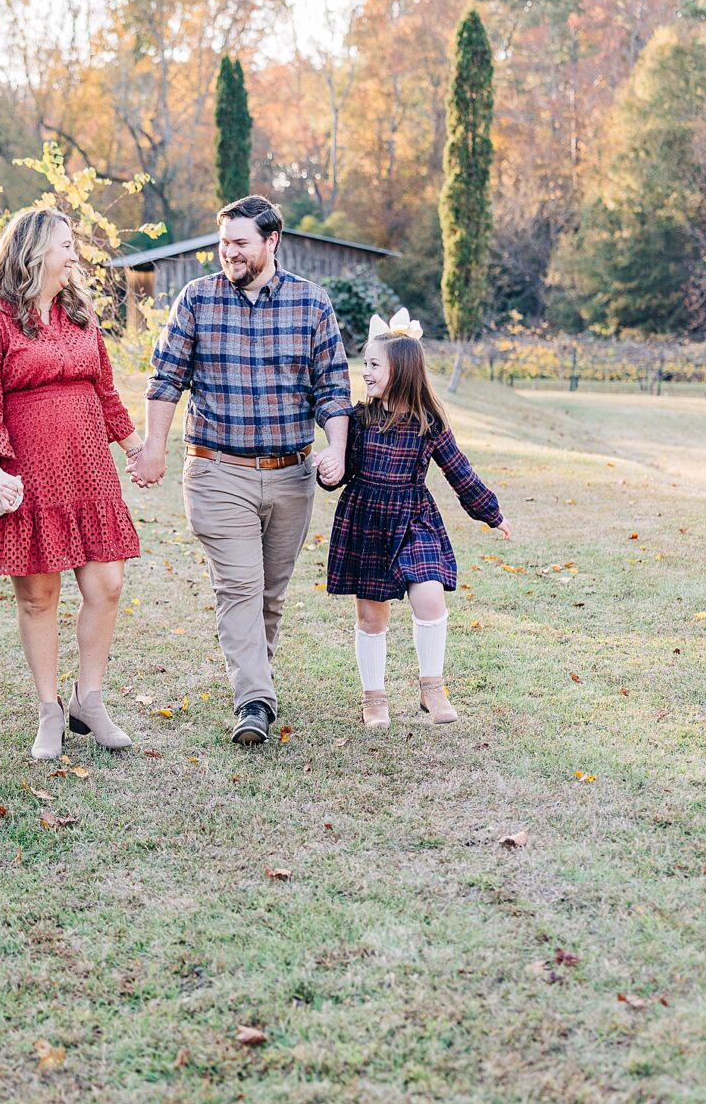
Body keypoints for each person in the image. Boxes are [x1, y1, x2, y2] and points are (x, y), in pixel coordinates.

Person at [132, 195, 350, 743]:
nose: (228, 253)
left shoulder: (311, 304)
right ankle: (253, 699)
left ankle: (257, 678)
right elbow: (166, 378)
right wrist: (154, 445)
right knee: (240, 585)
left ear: (271, 241)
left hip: (291, 472)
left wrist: (339, 450)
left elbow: (333, 389)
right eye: (223, 243)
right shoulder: (197, 300)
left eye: (240, 243)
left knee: (270, 593)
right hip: (216, 470)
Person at [0, 208, 142, 763]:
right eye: (66, 245)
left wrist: (135, 448)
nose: (74, 255)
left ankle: (91, 700)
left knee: (106, 584)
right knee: (39, 595)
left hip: (88, 464)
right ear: (35, 250)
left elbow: (106, 391)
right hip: (29, 470)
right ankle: (49, 709)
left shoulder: (80, 313)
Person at [324, 311, 511, 729]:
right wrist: (327, 471)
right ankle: (373, 697)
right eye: (365, 363)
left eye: (374, 365)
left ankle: (432, 688)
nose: (365, 372)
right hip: (368, 522)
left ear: (401, 370)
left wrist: (490, 511)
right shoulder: (359, 419)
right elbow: (343, 473)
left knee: (430, 597)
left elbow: (458, 469)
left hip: (413, 518)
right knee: (372, 616)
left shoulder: (428, 423)